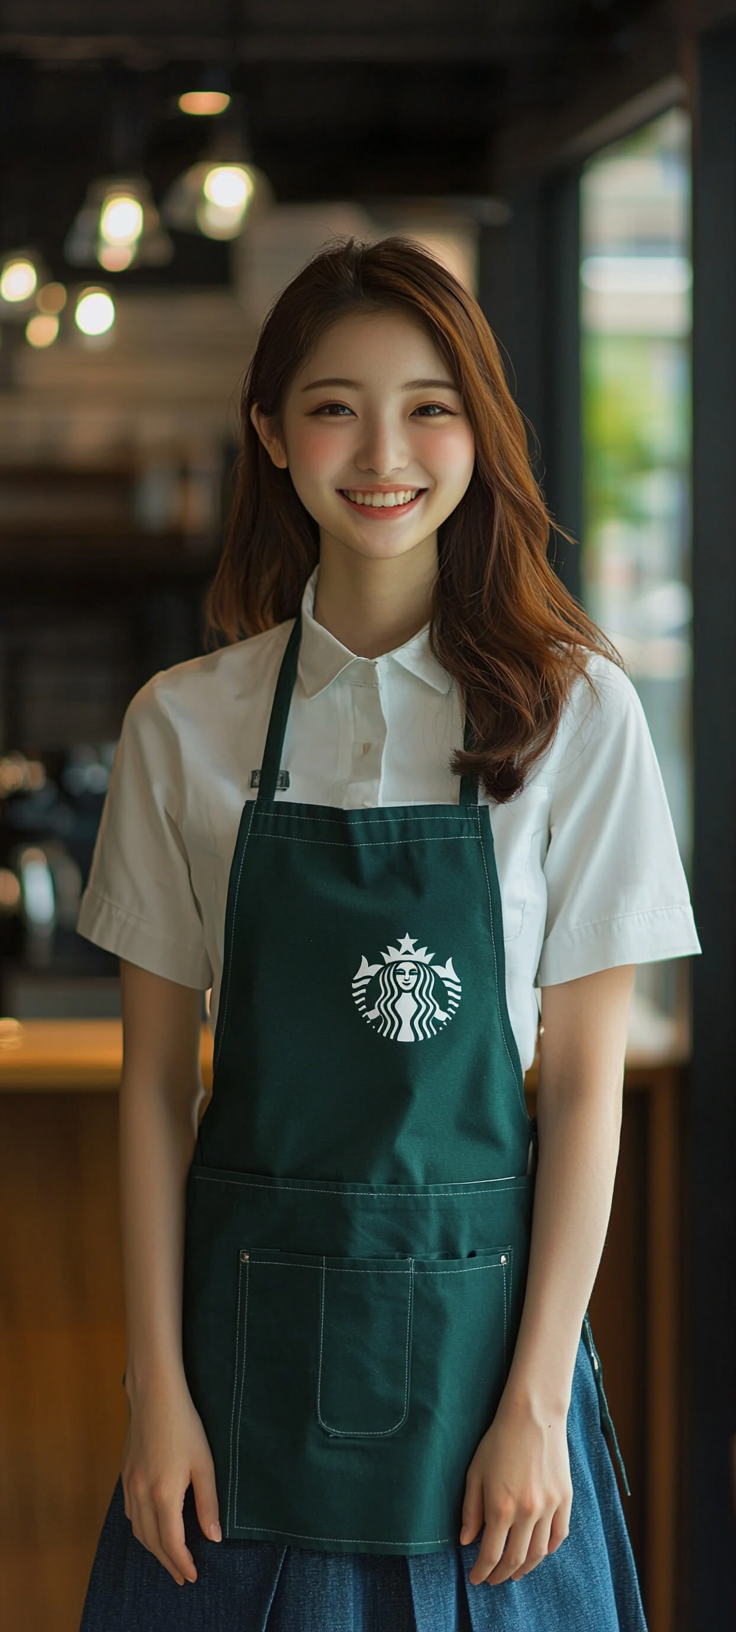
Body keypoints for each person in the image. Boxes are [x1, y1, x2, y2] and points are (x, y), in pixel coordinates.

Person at [77, 237, 699, 1632]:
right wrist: (157, 1392)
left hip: (491, 1384)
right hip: (236, 1393)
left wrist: (538, 1404)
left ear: (481, 428)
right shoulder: (183, 726)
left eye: (430, 404)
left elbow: (586, 1085)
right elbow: (156, 1090)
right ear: (272, 436)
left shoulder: (577, 719)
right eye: (333, 405)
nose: (383, 449)